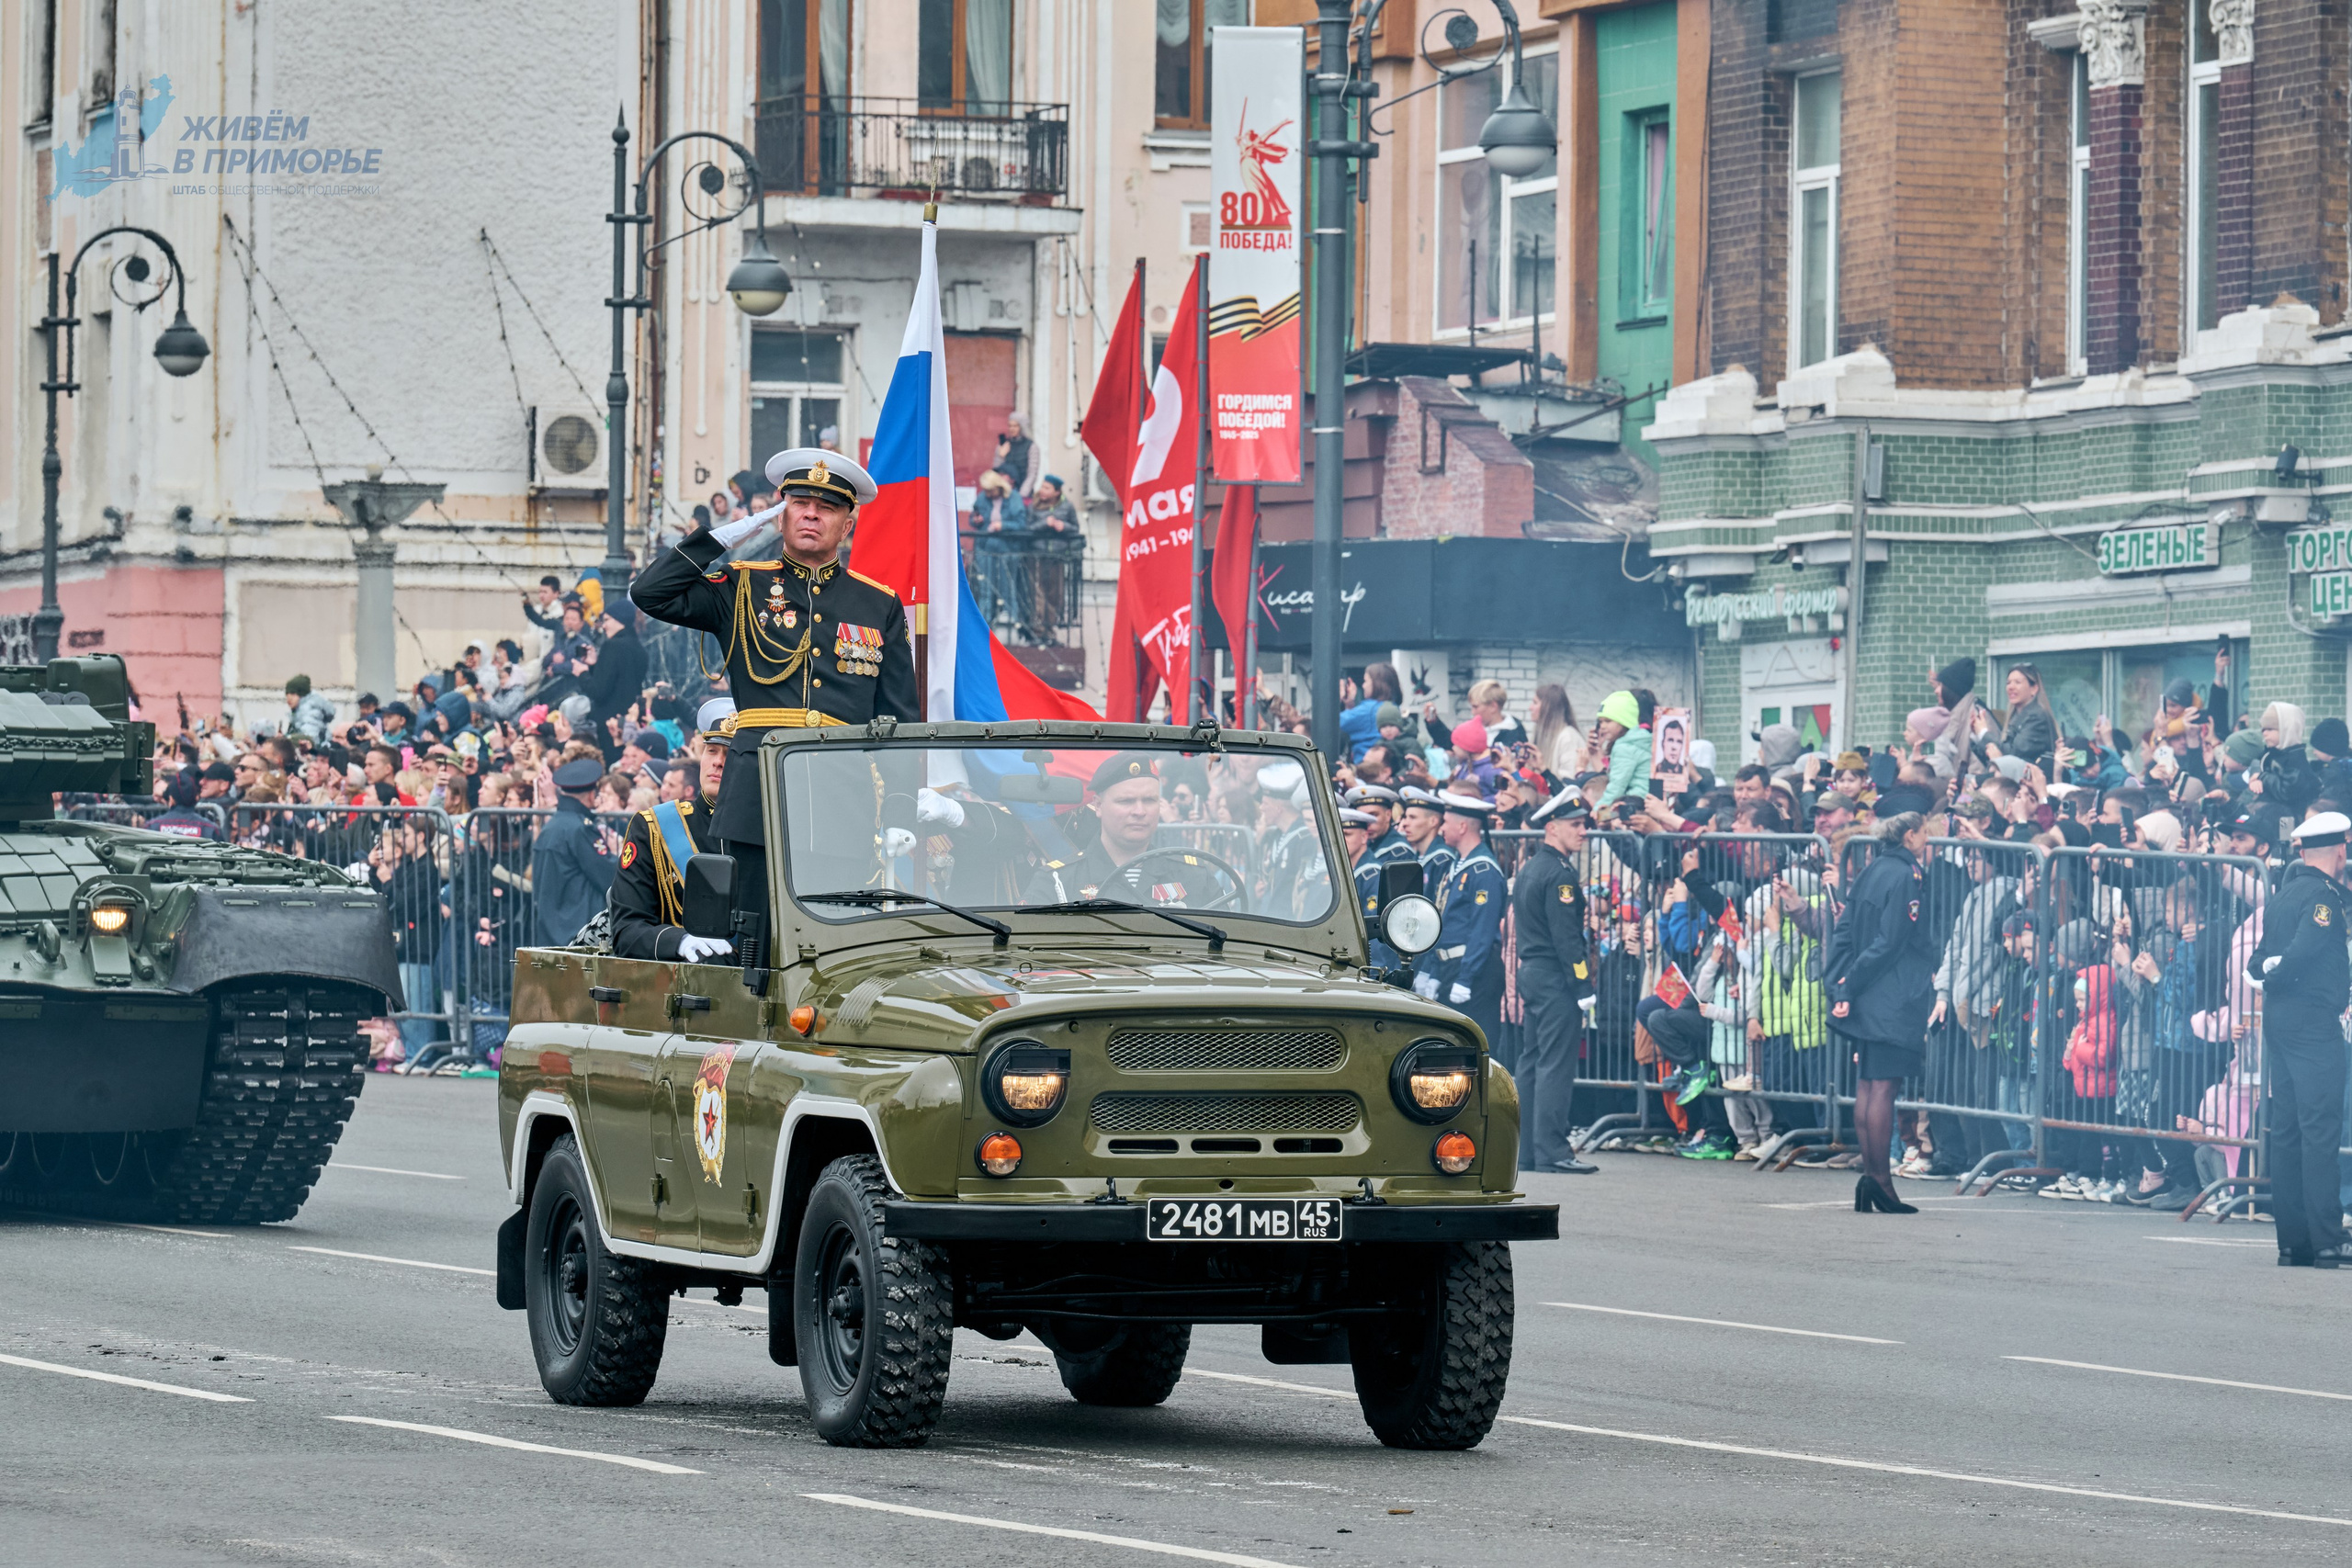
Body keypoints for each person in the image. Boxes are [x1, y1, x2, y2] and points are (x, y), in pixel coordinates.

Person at [631, 447, 918, 924]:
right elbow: (649, 592)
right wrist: (719, 539)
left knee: (832, 943)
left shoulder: (877, 603)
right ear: (780, 514)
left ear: (848, 525)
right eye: (800, 503)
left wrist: (901, 815)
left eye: (827, 507)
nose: (811, 514)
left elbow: (901, 721)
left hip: (842, 801)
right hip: (754, 796)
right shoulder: (739, 585)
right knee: (752, 940)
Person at [2246, 811, 2352, 1267]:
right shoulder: (2323, 897)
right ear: (2341, 850)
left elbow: (2256, 961)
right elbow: (2303, 951)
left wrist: (2268, 977)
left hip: (2282, 1020)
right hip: (2312, 1022)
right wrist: (2276, 976)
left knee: (2288, 1130)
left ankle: (2293, 1241)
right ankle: (2328, 1238)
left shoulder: (2284, 894)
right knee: (2319, 1130)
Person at [1826, 808, 1939, 1214]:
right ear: (1909, 835)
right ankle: (1881, 1183)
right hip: (1892, 993)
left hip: (1867, 990)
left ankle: (1873, 1180)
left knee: (1868, 1084)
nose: (1927, 839)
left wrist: (1839, 983)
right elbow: (1892, 941)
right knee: (1883, 1088)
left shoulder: (1871, 871)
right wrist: (1850, 984)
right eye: (1924, 832)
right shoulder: (1907, 875)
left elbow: (1844, 931)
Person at [609, 703, 736, 963]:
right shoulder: (653, 827)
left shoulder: (776, 832)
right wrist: (678, 940)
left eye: (731, 753)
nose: (718, 762)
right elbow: (626, 930)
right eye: (711, 750)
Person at [1514, 788, 1599, 1174]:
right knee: (1554, 1065)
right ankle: (1552, 1149)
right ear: (1552, 828)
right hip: (1554, 978)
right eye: (1575, 825)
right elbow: (1567, 939)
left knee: (1532, 1062)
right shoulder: (1560, 874)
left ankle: (1528, 1151)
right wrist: (1583, 986)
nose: (1583, 832)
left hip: (1532, 972)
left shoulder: (1532, 867)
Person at [1024, 752, 1227, 907]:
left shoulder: (1194, 877)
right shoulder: (1056, 882)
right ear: (1098, 805)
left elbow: (1225, 948)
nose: (1139, 811)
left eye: (1149, 800)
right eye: (1126, 801)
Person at [1411, 792, 1508, 1065]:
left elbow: (1482, 931)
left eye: (1446, 822)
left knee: (1476, 1051)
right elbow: (1444, 921)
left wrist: (1466, 978)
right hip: (1451, 966)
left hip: (1475, 972)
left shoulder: (1483, 871)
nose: (1441, 828)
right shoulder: (1457, 866)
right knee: (1452, 1051)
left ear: (1462, 827)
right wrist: (1432, 970)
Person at [532, 756, 619, 947]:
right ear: (590, 795)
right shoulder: (582, 829)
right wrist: (615, 855)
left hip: (551, 930)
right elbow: (608, 876)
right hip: (579, 931)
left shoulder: (551, 828)